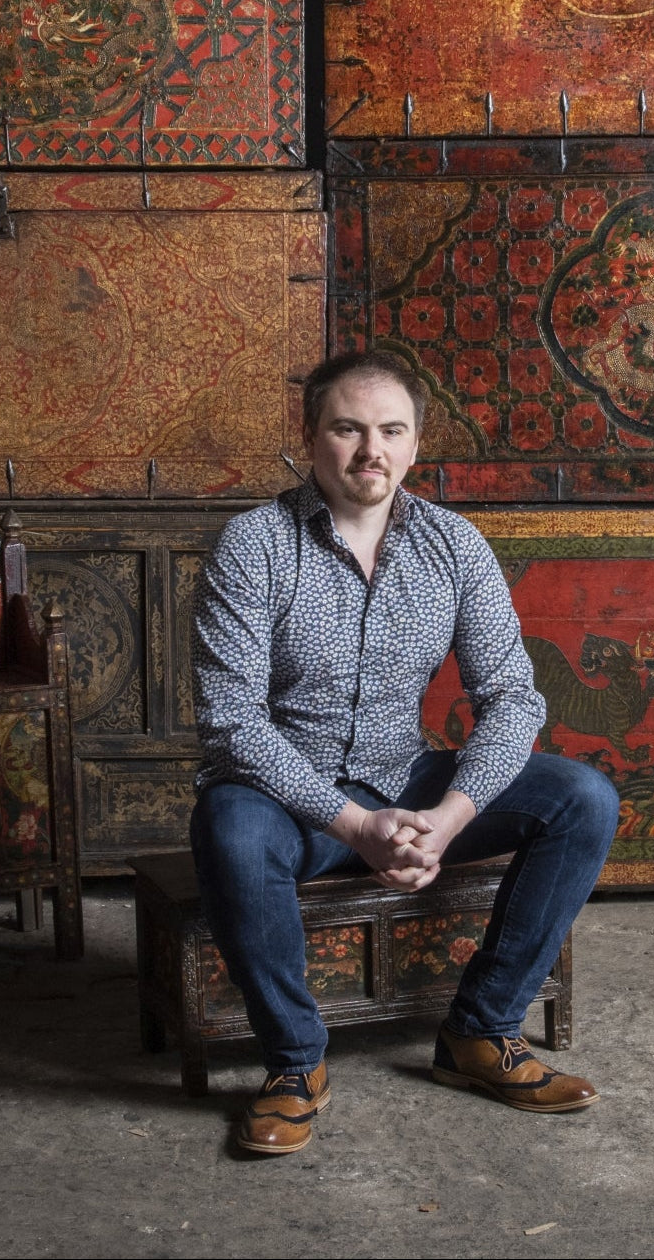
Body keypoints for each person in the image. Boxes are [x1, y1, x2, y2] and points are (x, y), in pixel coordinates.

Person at [189, 349, 620, 1155]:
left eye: (391, 430)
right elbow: (231, 723)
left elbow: (511, 696)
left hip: (407, 772)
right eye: (348, 428)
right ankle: (294, 1066)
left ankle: (481, 1034)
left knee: (583, 798)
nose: (369, 451)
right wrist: (352, 824)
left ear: (417, 443)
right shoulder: (253, 545)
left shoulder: (454, 546)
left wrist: (449, 818)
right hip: (285, 794)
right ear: (309, 435)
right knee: (230, 828)